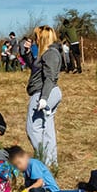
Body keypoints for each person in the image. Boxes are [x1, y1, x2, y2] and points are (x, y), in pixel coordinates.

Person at [27, 26, 63, 167]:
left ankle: (44, 159)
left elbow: (50, 77)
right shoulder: (46, 54)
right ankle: (51, 162)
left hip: (44, 92)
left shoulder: (50, 54)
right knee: (47, 127)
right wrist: (26, 53)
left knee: (33, 128)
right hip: (47, 92)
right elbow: (35, 68)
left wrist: (43, 98)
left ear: (41, 38)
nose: (35, 40)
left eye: (36, 37)